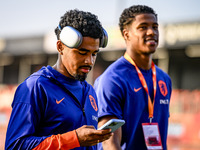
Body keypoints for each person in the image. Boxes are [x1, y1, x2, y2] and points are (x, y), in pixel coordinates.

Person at [5, 9, 112, 150]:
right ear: (60, 47)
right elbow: (15, 146)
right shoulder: (35, 87)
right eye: (82, 52)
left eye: (94, 53)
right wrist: (75, 138)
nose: (89, 61)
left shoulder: (89, 90)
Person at [94, 5, 172, 150]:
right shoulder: (112, 80)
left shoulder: (164, 79)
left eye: (155, 27)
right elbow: (108, 140)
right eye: (143, 27)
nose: (151, 32)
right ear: (126, 34)